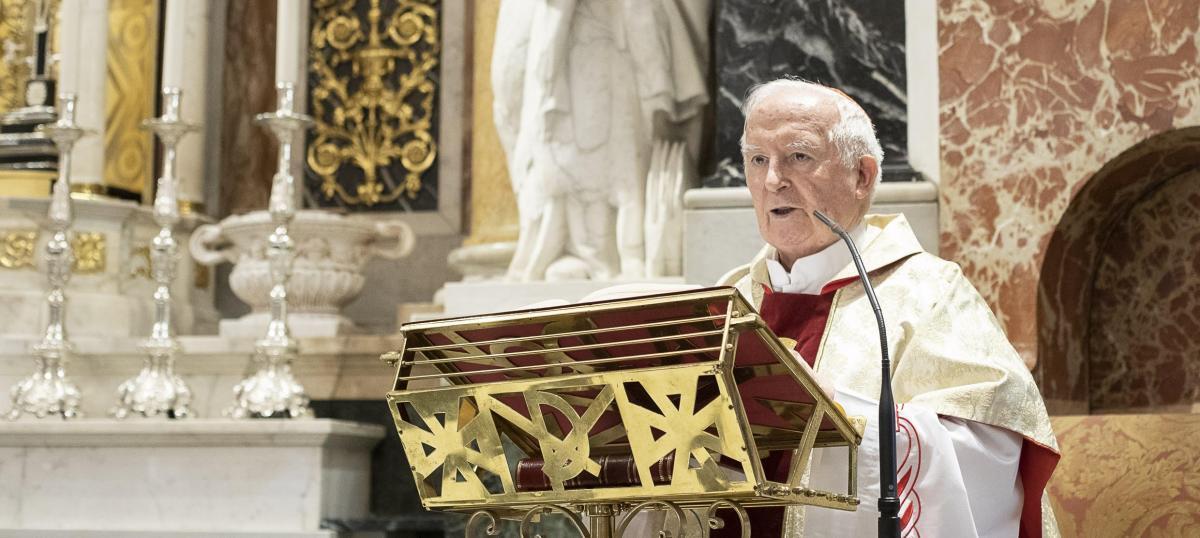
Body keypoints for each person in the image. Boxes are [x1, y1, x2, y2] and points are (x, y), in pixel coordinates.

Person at [717, 79, 1060, 537]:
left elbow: (994, 450)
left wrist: (838, 415)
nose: (773, 180)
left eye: (798, 156)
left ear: (862, 176)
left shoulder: (928, 292)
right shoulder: (728, 301)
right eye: (758, 160)